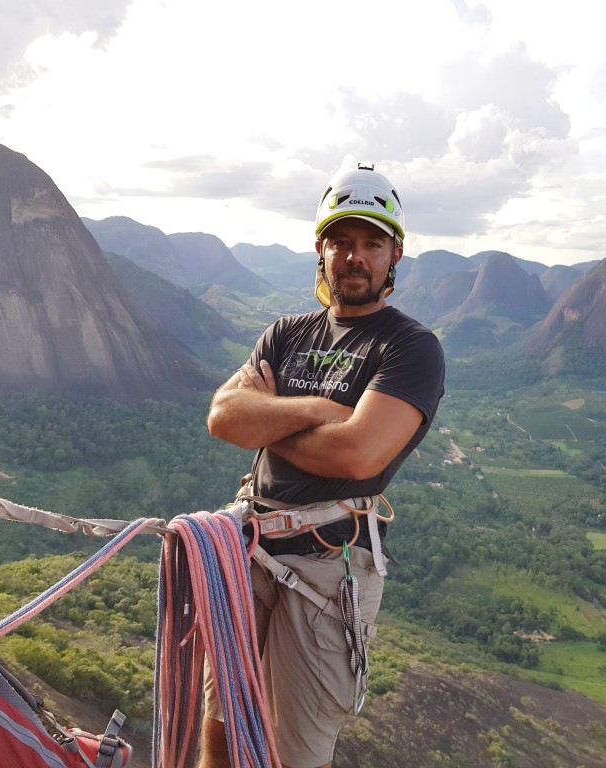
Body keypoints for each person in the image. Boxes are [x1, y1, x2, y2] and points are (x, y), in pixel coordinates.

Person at [200, 162, 445, 768]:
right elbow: (224, 417)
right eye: (341, 241)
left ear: (395, 256)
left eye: (371, 244)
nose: (353, 257)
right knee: (220, 721)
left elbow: (360, 453)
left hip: (329, 567)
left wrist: (269, 419)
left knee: (297, 749)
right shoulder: (287, 332)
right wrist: (316, 408)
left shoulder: (409, 347)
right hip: (250, 545)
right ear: (321, 250)